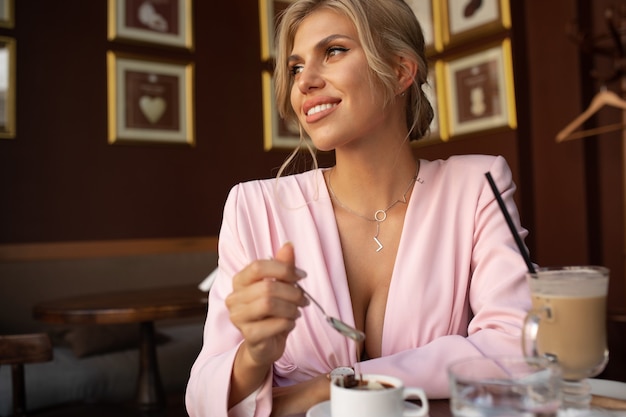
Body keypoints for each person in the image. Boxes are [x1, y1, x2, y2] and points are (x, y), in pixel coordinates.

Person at [185, 0, 531, 416]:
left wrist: (329, 387)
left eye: (333, 51)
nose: (305, 82)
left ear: (402, 71)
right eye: (295, 68)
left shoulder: (478, 187)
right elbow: (202, 398)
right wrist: (254, 354)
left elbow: (516, 348)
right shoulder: (255, 208)